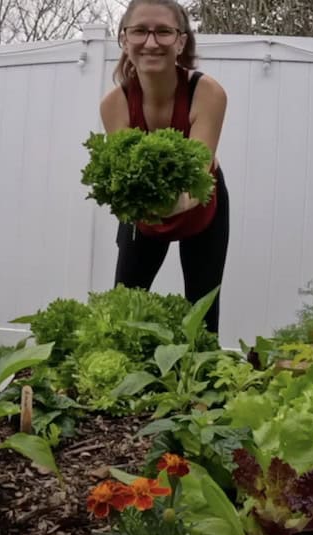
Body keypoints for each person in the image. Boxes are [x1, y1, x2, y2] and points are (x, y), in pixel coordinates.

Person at [99, 0, 230, 333]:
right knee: (124, 312)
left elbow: (196, 179)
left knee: (202, 315)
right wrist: (139, 201)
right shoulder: (114, 105)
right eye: (140, 31)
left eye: (164, 32)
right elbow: (130, 181)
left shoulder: (208, 93)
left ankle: (198, 381)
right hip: (144, 215)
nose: (152, 42)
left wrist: (166, 200)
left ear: (181, 41)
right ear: (124, 40)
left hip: (201, 208)